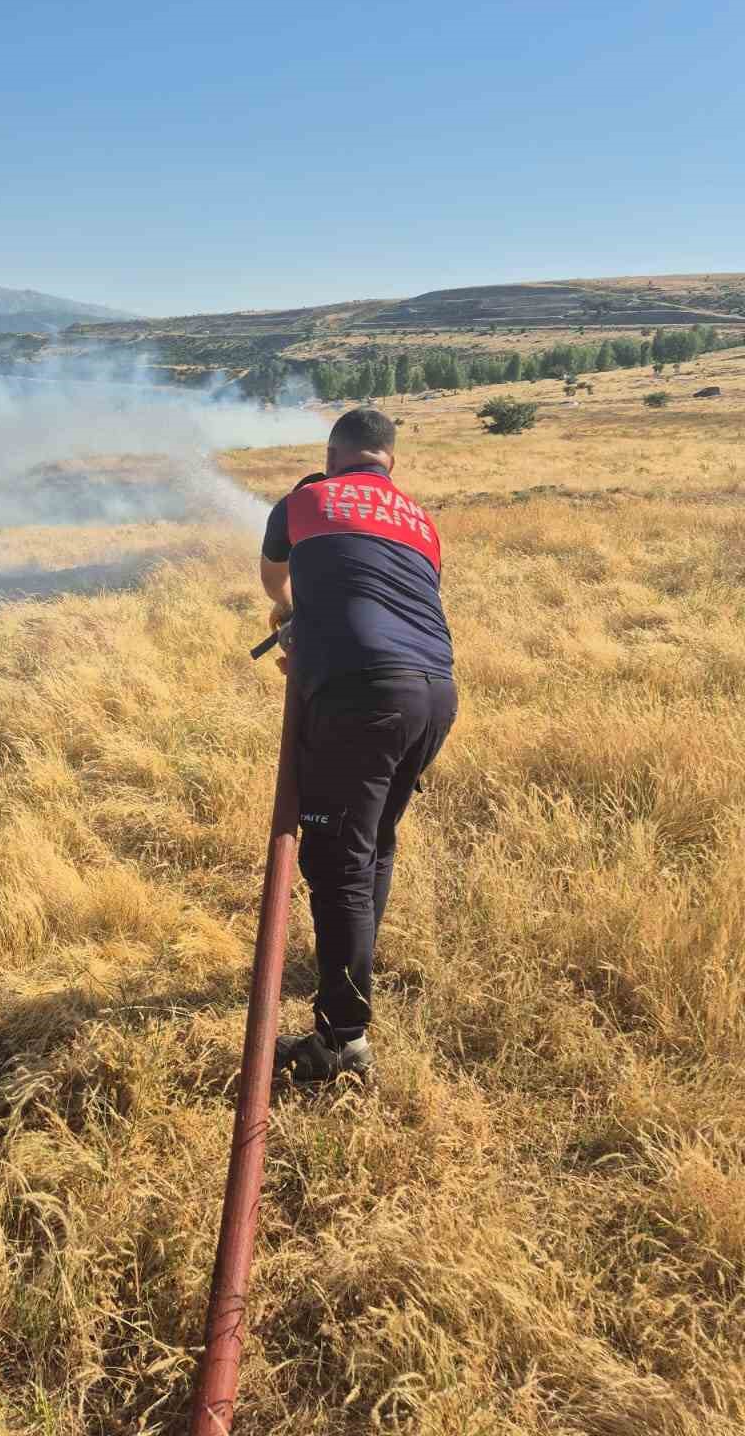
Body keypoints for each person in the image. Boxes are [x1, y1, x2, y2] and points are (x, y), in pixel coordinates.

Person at [259, 407, 456, 1085]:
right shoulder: (422, 522)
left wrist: (291, 623)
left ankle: (342, 1039)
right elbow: (403, 598)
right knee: (373, 847)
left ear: (332, 454)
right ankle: (350, 995)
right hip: (435, 694)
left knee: (336, 861)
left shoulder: (304, 499)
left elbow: (275, 582)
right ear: (390, 464)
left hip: (361, 694)